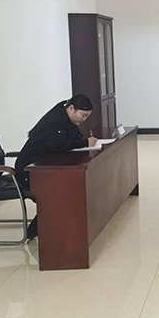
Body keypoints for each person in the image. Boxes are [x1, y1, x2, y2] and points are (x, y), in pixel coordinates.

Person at [15, 94, 98, 239]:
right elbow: (59, 145)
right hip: (30, 170)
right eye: (83, 115)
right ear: (71, 108)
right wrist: (85, 143)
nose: (84, 119)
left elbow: (74, 137)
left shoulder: (66, 116)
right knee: (62, 190)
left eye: (87, 116)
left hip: (43, 166)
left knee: (72, 185)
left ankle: (59, 224)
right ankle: (36, 231)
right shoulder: (55, 121)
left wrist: (83, 141)